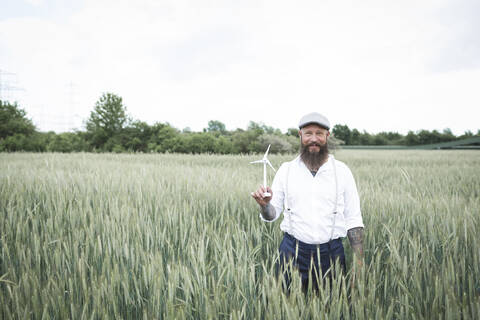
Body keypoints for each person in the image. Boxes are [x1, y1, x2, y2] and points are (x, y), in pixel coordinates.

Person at [251, 112, 364, 293]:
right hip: (292, 252)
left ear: (327, 136)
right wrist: (265, 205)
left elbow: (353, 219)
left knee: (334, 309)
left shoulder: (342, 171)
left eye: (319, 133)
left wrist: (359, 263)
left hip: (332, 253)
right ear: (300, 135)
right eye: (308, 133)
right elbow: (272, 215)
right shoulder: (286, 170)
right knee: (287, 306)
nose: (314, 139)